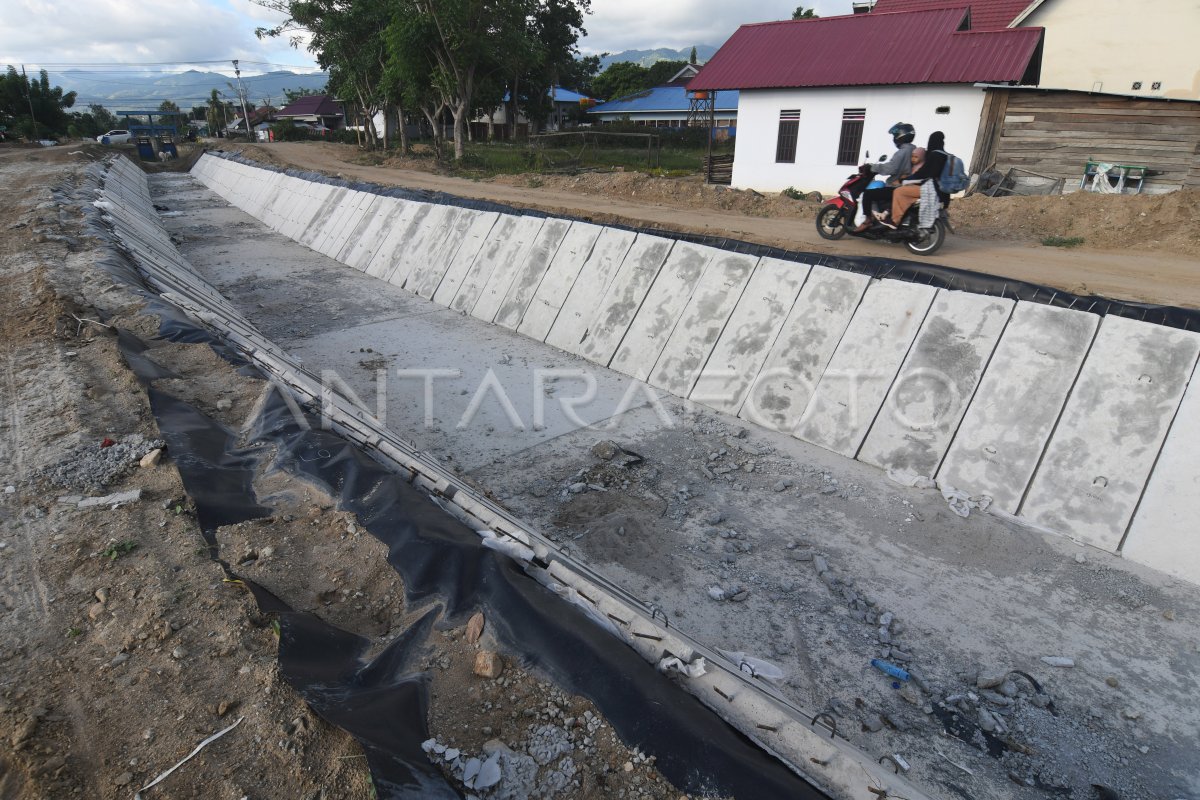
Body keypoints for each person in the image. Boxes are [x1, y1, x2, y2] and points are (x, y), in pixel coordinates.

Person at [856, 122, 916, 232]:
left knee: (868, 194)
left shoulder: (902, 152)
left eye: (895, 136)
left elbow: (891, 168)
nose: (894, 138)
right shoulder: (914, 149)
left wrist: (872, 167)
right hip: (907, 186)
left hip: (896, 186)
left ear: (900, 136)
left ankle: (867, 221)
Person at [890, 131, 947, 224]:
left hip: (931, 189)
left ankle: (894, 221)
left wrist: (903, 180)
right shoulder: (945, 155)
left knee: (898, 191)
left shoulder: (935, 155)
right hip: (942, 192)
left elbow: (923, 174)